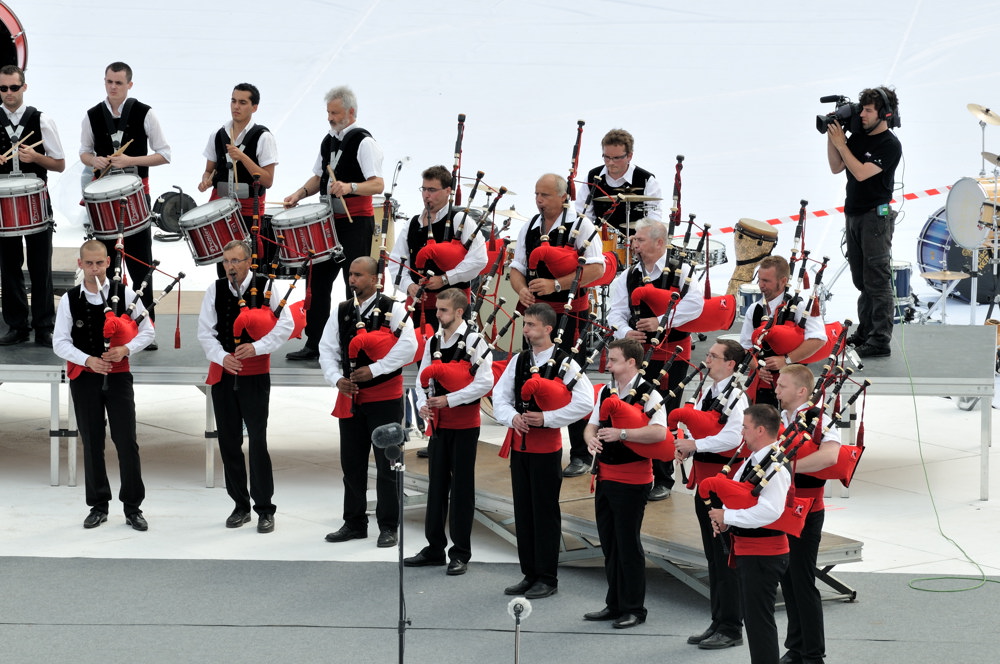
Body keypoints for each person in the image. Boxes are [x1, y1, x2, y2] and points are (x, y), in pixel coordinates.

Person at [492, 303, 594, 599]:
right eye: (525, 324)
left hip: (546, 449)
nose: (525, 330)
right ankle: (529, 573)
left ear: (548, 328)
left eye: (531, 325)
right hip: (520, 446)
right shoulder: (520, 360)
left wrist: (547, 418)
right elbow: (500, 396)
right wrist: (512, 417)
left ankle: (547, 577)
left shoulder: (565, 362)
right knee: (523, 512)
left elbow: (585, 401)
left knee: (545, 513)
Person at [52, 240, 154, 530]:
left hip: (119, 375)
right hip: (85, 378)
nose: (94, 269)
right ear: (80, 264)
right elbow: (60, 342)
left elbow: (148, 331)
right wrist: (87, 360)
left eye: (99, 263)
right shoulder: (70, 299)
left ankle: (133, 507)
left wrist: (126, 349)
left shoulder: (126, 293)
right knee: (92, 441)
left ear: (108, 262)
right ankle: (98, 505)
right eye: (89, 263)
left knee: (126, 441)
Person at [509, 173, 603, 479]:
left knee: (571, 382)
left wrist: (556, 284)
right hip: (537, 315)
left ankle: (580, 454)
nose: (539, 200)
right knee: (532, 377)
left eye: (545, 195)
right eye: (537, 194)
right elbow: (516, 267)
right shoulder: (530, 226)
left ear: (564, 197)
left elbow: (597, 269)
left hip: (569, 315)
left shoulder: (582, 226)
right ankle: (529, 442)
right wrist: (521, 289)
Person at [319, 256, 416, 547]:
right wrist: (337, 379)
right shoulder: (342, 310)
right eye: (350, 274)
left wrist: (375, 369)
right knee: (352, 464)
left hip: (384, 398)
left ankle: (388, 526)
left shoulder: (394, 308)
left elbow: (408, 347)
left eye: (358, 275)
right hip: (351, 397)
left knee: (388, 464)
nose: (352, 279)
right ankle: (354, 522)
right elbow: (327, 349)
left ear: (375, 279)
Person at [197, 240, 293, 534]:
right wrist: (222, 357)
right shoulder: (215, 289)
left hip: (255, 374)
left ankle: (265, 508)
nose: (230, 267)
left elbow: (285, 325)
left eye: (236, 261)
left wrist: (257, 347)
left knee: (258, 442)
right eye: (226, 261)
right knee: (228, 442)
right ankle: (240, 505)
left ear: (249, 261)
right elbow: (205, 332)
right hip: (225, 372)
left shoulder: (266, 286)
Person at [607, 217, 705, 499]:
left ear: (659, 242)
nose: (634, 244)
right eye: (634, 239)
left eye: (639, 239)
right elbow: (616, 312)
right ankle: (637, 470)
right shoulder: (629, 275)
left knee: (666, 412)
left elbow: (695, 305)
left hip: (673, 353)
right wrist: (626, 332)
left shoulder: (682, 270)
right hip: (639, 356)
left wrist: (661, 321)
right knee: (636, 409)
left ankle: (664, 478)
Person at [285, 86, 384, 361]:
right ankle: (315, 342)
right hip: (327, 223)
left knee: (354, 283)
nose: (330, 117)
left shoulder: (364, 142)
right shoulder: (328, 141)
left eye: (335, 113)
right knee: (316, 283)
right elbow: (319, 177)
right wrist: (298, 194)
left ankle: (354, 342)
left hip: (355, 222)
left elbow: (377, 184)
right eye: (328, 112)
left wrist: (350, 186)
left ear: (350, 112)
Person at [80, 61, 171, 347]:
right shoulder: (92, 115)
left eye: (118, 82)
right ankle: (110, 326)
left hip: (135, 196)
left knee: (140, 265)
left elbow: (164, 154)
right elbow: (84, 152)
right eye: (109, 81)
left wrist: (131, 160)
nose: (113, 87)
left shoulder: (145, 112)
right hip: (104, 201)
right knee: (106, 266)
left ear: (129, 84)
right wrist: (94, 160)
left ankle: (146, 329)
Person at [404, 288, 492, 576]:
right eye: (437, 309)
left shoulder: (476, 341)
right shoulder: (433, 341)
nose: (437, 314)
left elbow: (485, 382)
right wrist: (422, 404)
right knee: (437, 487)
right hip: (439, 425)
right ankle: (434, 548)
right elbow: (422, 379)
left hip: (465, 425)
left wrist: (449, 400)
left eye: (443, 310)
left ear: (459, 312)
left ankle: (460, 552)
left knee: (462, 490)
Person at [583, 339, 667, 629]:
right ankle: (615, 603)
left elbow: (659, 433)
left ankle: (634, 608)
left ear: (631, 362)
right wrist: (590, 440)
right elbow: (591, 425)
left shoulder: (650, 393)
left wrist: (622, 434)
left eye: (614, 360)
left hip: (633, 479)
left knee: (628, 544)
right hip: (605, 475)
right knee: (610, 542)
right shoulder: (606, 391)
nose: (608, 364)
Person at [673, 338, 748, 651]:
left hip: (723, 487)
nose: (708, 359)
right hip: (704, 482)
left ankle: (731, 627)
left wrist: (696, 445)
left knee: (725, 557)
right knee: (713, 558)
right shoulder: (708, 391)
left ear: (730, 364)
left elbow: (733, 437)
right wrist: (685, 444)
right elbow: (696, 426)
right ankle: (718, 620)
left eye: (715, 356)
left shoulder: (737, 397)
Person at [708, 404, 791, 664]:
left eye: (745, 427)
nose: (741, 432)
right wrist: (726, 521)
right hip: (749, 550)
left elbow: (770, 511)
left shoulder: (775, 466)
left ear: (760, 430)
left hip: (764, 554)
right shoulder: (752, 460)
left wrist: (728, 517)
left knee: (759, 622)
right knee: (754, 620)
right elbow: (740, 498)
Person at [826, 86, 901, 358]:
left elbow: (859, 172)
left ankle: (880, 340)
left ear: (885, 114)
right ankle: (866, 330)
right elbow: (836, 167)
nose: (863, 115)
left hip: (875, 218)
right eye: (862, 110)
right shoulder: (858, 137)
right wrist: (832, 135)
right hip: (854, 215)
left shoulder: (889, 145)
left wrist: (842, 143)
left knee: (877, 280)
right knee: (861, 280)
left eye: (869, 110)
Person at [774, 364, 841, 664]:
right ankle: (796, 646)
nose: (776, 390)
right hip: (782, 507)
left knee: (802, 580)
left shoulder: (818, 418)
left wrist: (790, 467)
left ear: (801, 391)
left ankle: (813, 654)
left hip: (807, 508)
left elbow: (830, 455)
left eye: (782, 386)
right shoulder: (781, 418)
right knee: (788, 580)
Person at [0, 64, 65, 347]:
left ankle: (44, 326)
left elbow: (59, 164)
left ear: (24, 87)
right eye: (3, 88)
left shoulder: (42, 120)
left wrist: (36, 158)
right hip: (3, 206)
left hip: (36, 203)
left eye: (14, 87)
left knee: (40, 266)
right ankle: (17, 325)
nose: (9, 93)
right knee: (8, 267)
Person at [387, 164, 487, 331]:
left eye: (432, 190)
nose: (426, 195)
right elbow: (397, 261)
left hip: (453, 309)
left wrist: (446, 279)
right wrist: (408, 285)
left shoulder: (459, 219)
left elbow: (479, 259)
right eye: (424, 189)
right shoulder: (412, 224)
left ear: (448, 191)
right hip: (418, 306)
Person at [739, 255, 826, 407]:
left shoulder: (799, 306)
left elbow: (818, 339)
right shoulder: (754, 309)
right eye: (759, 280)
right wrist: (757, 367)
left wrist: (786, 360)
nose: (761, 285)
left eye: (766, 281)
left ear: (783, 281)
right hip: (761, 385)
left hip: (793, 387)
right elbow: (745, 347)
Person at [197, 82, 277, 219]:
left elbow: (268, 181)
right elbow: (209, 171)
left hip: (249, 209)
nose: (236, 106)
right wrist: (206, 181)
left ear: (254, 108)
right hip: (218, 206)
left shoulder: (264, 137)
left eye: (242, 102)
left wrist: (242, 157)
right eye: (233, 101)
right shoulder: (217, 135)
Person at [575, 128, 662, 236]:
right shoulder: (593, 177)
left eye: (616, 158)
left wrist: (639, 239)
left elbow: (654, 219)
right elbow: (583, 216)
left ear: (629, 156)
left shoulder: (647, 180)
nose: (610, 162)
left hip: (635, 241)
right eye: (606, 157)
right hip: (600, 240)